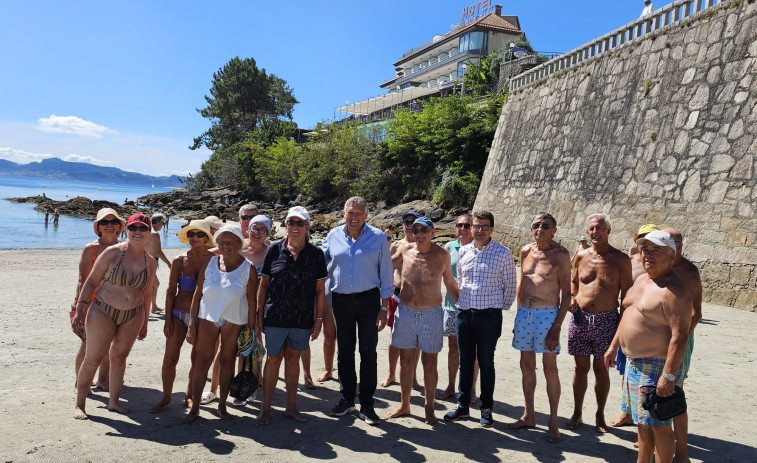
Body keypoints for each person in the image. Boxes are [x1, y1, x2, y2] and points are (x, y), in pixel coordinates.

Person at [604, 230, 691, 463]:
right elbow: (628, 314)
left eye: (656, 251)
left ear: (671, 256)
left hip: (658, 364)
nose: (648, 255)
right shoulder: (642, 279)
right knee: (643, 424)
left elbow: (680, 336)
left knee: (660, 426)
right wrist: (614, 346)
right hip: (634, 363)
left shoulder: (674, 291)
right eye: (645, 249)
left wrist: (668, 376)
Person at [73, 213, 157, 419]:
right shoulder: (112, 253)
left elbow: (147, 294)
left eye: (142, 228)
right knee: (93, 357)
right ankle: (80, 404)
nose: (138, 232)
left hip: (133, 314)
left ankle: (114, 402)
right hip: (102, 310)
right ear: (126, 230)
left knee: (119, 358)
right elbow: (91, 281)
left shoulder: (151, 262)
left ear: (149, 233)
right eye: (133, 228)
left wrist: (145, 323)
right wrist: (80, 308)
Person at [323, 196, 393, 425]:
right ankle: (346, 399)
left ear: (366, 215)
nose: (354, 217)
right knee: (344, 352)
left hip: (368, 301)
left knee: (368, 352)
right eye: (350, 212)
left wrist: (384, 306)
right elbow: (321, 266)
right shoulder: (333, 236)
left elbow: (386, 272)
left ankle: (367, 404)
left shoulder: (378, 237)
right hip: (340, 300)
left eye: (358, 213)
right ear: (344, 212)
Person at [444, 210, 516, 427]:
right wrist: (461, 305)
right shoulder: (463, 251)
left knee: (486, 363)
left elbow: (510, 287)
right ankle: (463, 406)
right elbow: (460, 282)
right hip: (465, 315)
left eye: (485, 226)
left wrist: (495, 309)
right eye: (476, 226)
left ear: (492, 228)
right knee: (465, 363)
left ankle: (486, 409)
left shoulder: (503, 253)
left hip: (489, 317)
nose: (480, 230)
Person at [257, 207, 327, 424]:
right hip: (275, 316)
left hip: (302, 318)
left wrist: (319, 320)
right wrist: (259, 315)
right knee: (273, 359)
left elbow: (320, 290)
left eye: (299, 223)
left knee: (293, 359)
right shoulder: (274, 251)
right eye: (291, 222)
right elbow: (264, 284)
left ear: (307, 227)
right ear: (285, 225)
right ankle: (266, 409)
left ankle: (291, 407)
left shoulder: (316, 254)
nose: (295, 227)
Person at [506, 213, 571, 443]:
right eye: (536, 225)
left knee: (550, 368)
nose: (540, 228)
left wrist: (556, 327)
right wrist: (517, 316)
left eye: (546, 225)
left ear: (554, 229)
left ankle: (553, 421)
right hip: (525, 313)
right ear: (531, 228)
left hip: (548, 315)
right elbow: (522, 285)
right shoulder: (526, 251)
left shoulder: (561, 255)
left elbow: (567, 295)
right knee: (526, 365)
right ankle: (529, 414)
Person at [387, 217, 458, 424]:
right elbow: (384, 268)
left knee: (429, 362)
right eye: (415, 230)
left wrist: (463, 305)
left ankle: (429, 407)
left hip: (432, 314)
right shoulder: (405, 250)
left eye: (423, 230)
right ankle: (405, 404)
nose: (418, 234)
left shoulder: (441, 254)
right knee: (406, 360)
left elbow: (450, 282)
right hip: (406, 312)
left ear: (432, 232)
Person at [566, 214, 633, 433]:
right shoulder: (581, 256)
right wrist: (573, 298)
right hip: (580, 318)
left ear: (608, 231)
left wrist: (621, 329)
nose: (595, 232)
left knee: (601, 370)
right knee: (580, 368)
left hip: (607, 319)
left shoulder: (620, 260)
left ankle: (599, 414)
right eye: (592, 229)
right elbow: (574, 282)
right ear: (587, 232)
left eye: (600, 228)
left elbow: (627, 298)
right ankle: (577, 413)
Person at [184, 225, 257, 423]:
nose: (225, 245)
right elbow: (197, 295)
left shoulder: (248, 268)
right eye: (222, 242)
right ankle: (195, 407)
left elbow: (252, 302)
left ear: (239, 244)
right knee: (201, 362)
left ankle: (222, 406)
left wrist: (250, 331)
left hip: (234, 319)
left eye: (230, 242)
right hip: (207, 316)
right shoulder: (209, 263)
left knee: (227, 362)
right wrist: (191, 324)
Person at [151, 220, 215, 413]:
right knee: (170, 358)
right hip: (178, 315)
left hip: (203, 316)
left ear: (206, 238)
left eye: (200, 234)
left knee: (197, 360)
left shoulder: (214, 261)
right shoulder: (180, 260)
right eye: (191, 234)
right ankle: (166, 397)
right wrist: (168, 320)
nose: (194, 238)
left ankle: (190, 395)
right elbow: (170, 291)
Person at [70, 208, 125, 394]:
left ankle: (102, 380)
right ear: (98, 227)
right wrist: (80, 308)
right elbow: (82, 281)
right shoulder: (90, 249)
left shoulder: (125, 249)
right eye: (104, 222)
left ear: (119, 227)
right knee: (88, 346)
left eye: (114, 222)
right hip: (90, 306)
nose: (110, 225)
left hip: (114, 307)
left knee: (110, 346)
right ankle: (80, 382)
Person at [611, 223, 659, 428]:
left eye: (651, 239)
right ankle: (627, 413)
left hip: (653, 330)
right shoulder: (628, 261)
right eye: (642, 239)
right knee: (627, 372)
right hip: (627, 325)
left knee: (651, 379)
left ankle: (649, 423)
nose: (646, 245)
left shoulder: (661, 265)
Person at [663, 228, 702, 463]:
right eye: (666, 240)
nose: (670, 245)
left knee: (674, 392)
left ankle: (682, 452)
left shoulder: (689, 271)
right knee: (651, 389)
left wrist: (682, 338)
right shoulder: (655, 266)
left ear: (681, 245)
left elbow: (697, 312)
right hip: (654, 338)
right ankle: (657, 438)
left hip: (681, 339)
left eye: (674, 241)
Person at [438, 214, 479, 403]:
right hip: (451, 307)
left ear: (473, 227)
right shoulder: (448, 248)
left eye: (466, 225)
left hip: (473, 309)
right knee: (453, 348)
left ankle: (471, 389)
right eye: (459, 225)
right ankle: (451, 386)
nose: (462, 228)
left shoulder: (479, 248)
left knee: (474, 351)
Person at [381, 210, 421, 390]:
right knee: (394, 338)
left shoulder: (424, 245)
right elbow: (385, 268)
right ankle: (391, 373)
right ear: (403, 224)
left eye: (413, 221)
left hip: (418, 297)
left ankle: (412, 376)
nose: (410, 224)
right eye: (407, 221)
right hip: (397, 295)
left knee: (417, 340)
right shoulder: (396, 245)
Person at [147, 214, 172, 314]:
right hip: (150, 262)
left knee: (154, 284)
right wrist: (168, 263)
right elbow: (158, 251)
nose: (163, 225)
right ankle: (150, 307)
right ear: (158, 223)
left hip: (146, 261)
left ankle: (154, 306)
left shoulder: (146, 231)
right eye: (162, 223)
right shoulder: (155, 234)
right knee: (154, 284)